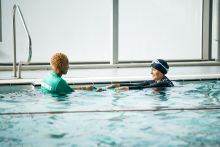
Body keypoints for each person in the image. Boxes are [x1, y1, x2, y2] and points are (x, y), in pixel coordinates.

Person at [102, 59, 174, 91]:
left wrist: (127, 89)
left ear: (162, 72)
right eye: (151, 69)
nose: (151, 72)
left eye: (154, 70)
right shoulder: (156, 81)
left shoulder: (165, 83)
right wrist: (118, 85)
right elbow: (138, 85)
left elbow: (143, 88)